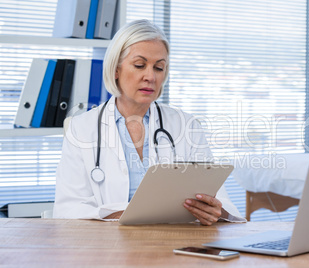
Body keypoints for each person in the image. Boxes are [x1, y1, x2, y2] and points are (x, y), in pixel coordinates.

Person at [53, 19, 245, 225]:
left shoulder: (186, 125)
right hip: (108, 248)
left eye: (159, 68)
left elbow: (219, 200)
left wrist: (215, 211)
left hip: (173, 246)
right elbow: (68, 208)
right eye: (139, 65)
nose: (150, 76)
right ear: (116, 69)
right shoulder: (81, 128)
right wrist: (132, 215)